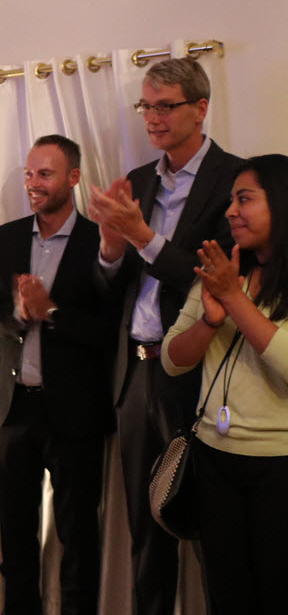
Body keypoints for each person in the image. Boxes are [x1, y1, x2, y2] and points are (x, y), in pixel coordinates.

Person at [88, 57, 243, 615]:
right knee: (144, 523)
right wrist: (110, 245)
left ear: (200, 109)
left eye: (165, 105)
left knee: (205, 520)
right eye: (146, 106)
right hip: (136, 370)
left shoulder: (235, 181)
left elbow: (216, 279)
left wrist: (141, 234)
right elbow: (113, 286)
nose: (152, 117)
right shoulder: (139, 181)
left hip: (198, 373)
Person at [0, 135, 115, 615]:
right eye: (29, 173)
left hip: (76, 413)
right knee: (16, 537)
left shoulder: (100, 242)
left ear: (73, 177)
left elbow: (109, 330)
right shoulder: (5, 238)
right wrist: (17, 311)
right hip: (14, 410)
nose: (33, 184)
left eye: (44, 174)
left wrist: (50, 312)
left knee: (78, 538)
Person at [161, 154, 288, 614]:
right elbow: (172, 360)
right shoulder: (223, 271)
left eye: (245, 199)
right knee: (226, 596)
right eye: (232, 200)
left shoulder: (230, 282)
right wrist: (210, 323)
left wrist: (235, 300)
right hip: (213, 459)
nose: (232, 210)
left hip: (279, 466)